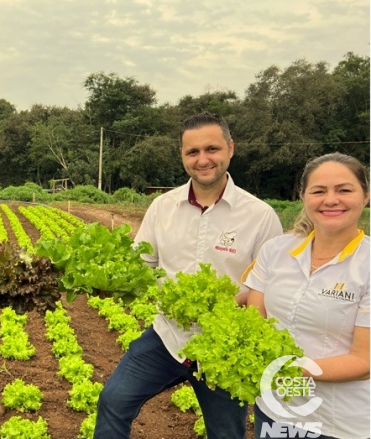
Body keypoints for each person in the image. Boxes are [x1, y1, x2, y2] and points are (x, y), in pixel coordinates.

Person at [94, 112, 284, 438]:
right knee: (113, 401)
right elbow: (143, 264)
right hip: (167, 337)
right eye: (192, 152)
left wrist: (229, 308)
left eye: (212, 149)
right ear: (182, 156)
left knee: (226, 433)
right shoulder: (163, 207)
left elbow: (272, 289)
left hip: (223, 350)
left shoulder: (261, 216)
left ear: (230, 149)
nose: (203, 159)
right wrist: (111, 281)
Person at [245, 153, 369, 439]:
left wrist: (282, 367)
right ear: (303, 197)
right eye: (319, 191)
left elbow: (364, 362)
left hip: (340, 424)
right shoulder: (276, 250)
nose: (330, 200)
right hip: (276, 410)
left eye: (344, 190)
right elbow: (256, 322)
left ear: (365, 197)